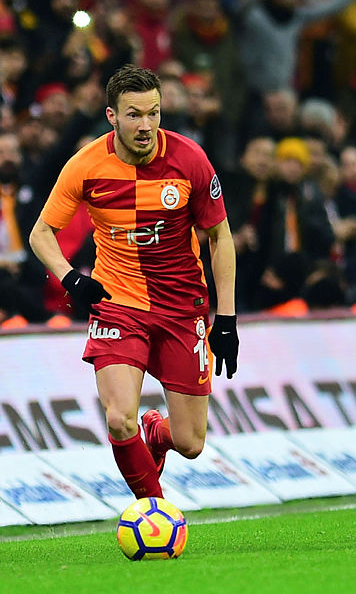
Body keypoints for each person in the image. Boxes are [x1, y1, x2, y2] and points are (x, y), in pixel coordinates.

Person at [28, 64, 238, 500]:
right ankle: (154, 512)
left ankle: (156, 432)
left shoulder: (189, 159)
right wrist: (72, 280)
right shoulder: (86, 165)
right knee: (119, 419)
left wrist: (227, 319)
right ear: (112, 116)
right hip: (118, 304)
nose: (146, 126)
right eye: (134, 115)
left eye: (153, 113)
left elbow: (220, 236)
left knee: (191, 443)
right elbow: (41, 233)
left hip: (182, 307)